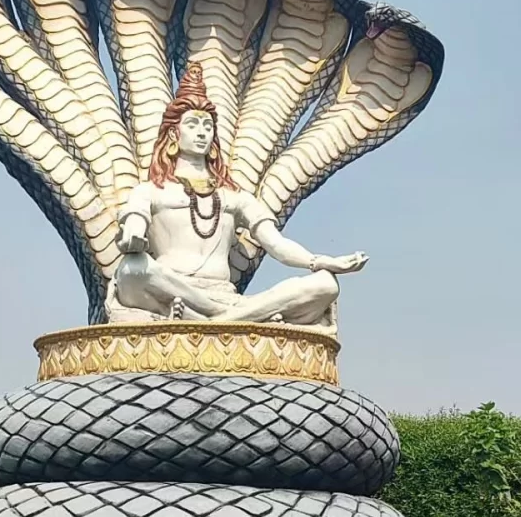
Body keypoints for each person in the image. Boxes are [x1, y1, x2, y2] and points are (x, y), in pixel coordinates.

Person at [108, 64, 368, 330]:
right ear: (174, 133)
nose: (201, 132)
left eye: (207, 126)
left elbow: (276, 244)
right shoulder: (149, 191)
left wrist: (317, 261)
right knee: (132, 268)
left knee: (325, 284)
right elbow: (134, 228)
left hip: (227, 297)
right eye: (193, 124)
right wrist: (132, 238)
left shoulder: (234, 196)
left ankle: (210, 321)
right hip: (171, 287)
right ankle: (238, 321)